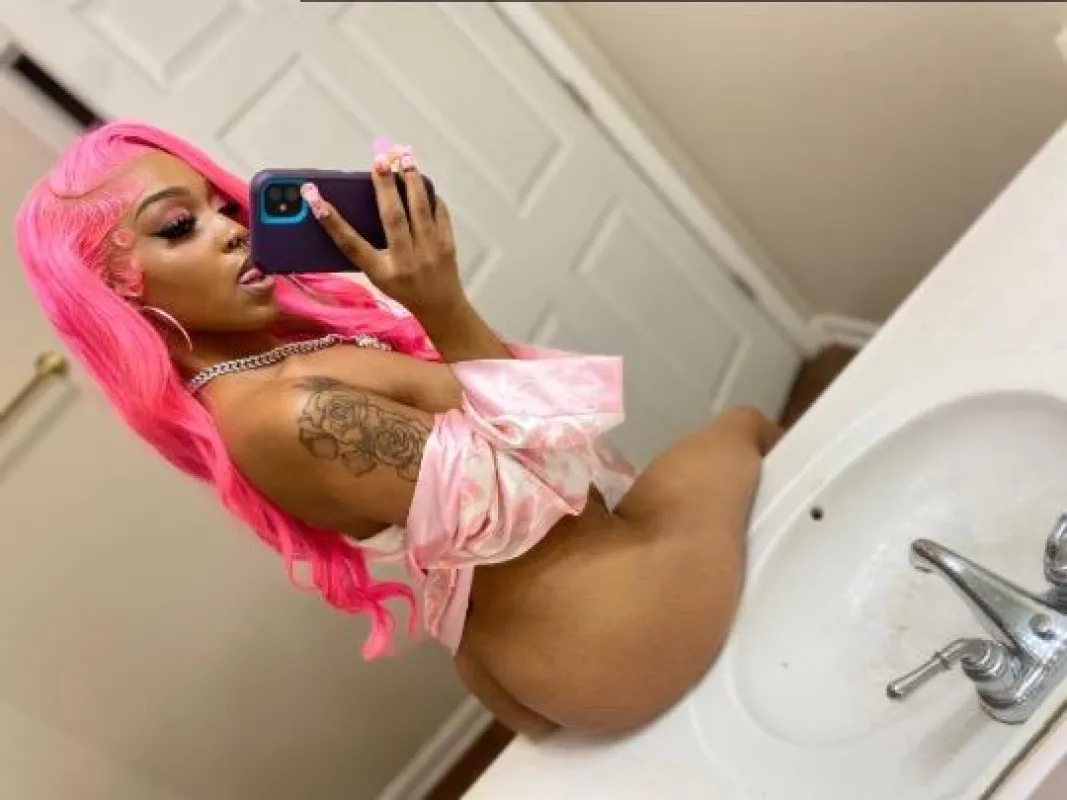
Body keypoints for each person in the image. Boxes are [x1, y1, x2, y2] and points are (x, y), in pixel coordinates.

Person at [15, 121, 781, 737]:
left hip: (565, 621)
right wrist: (442, 305)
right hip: (612, 632)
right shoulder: (290, 414)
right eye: (180, 226)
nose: (230, 231)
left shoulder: (281, 363)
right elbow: (546, 469)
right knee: (743, 426)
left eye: (224, 207)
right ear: (118, 295)